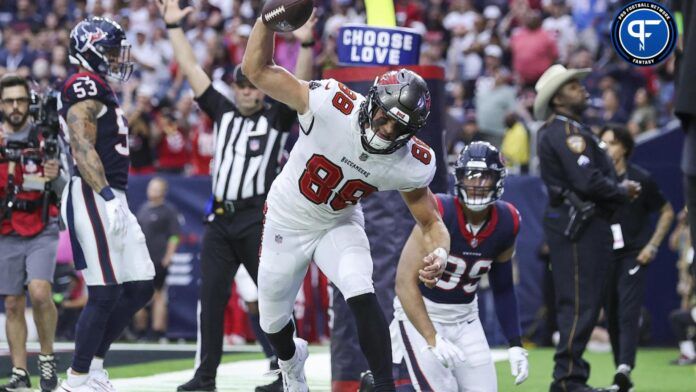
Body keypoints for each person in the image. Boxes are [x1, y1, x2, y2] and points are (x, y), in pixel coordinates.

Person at [242, 12, 450, 392]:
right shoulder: (329, 104)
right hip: (288, 217)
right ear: (372, 101)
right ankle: (291, 367)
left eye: (398, 128)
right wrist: (267, 21)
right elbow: (256, 70)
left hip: (338, 220)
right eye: (385, 118)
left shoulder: (410, 162)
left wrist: (440, 252)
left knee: (360, 286)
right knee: (272, 319)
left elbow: (431, 221)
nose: (387, 131)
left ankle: (384, 385)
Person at [155, 1, 316, 390]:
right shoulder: (222, 112)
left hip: (256, 219)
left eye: (251, 83)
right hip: (220, 220)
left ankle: (284, 371)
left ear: (260, 87)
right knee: (209, 300)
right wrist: (175, 27)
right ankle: (205, 376)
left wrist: (306, 48)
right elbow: (193, 71)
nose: (246, 89)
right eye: (241, 83)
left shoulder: (275, 118)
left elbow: (301, 90)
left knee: (272, 298)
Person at [57, 16, 155, 391]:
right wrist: (108, 197)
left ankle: (94, 365)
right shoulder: (83, 84)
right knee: (105, 291)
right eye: (112, 51)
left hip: (112, 194)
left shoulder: (99, 87)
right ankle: (77, 379)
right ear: (91, 50)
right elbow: (82, 148)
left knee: (141, 285)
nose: (117, 58)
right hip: (93, 192)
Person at [533, 64, 641, 392]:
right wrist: (622, 190)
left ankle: (572, 377)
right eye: (572, 86)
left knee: (584, 302)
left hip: (584, 224)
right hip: (579, 225)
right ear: (557, 99)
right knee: (579, 303)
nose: (581, 89)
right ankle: (567, 380)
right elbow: (587, 179)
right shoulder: (567, 132)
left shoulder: (571, 129)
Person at [390, 142, 528, 391]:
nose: (476, 184)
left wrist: (515, 343)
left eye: (484, 177)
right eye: (470, 176)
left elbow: (504, 287)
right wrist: (432, 337)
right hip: (423, 314)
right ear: (459, 178)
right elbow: (403, 283)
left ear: (498, 180)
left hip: (466, 318)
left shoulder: (508, 221)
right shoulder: (440, 212)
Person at [599, 125, 674, 391]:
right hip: (606, 256)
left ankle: (624, 368)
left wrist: (652, 246)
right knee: (611, 313)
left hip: (633, 254)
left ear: (625, 148)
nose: (606, 148)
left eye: (611, 143)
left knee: (627, 312)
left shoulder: (641, 179)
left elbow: (667, 211)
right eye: (603, 142)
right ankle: (622, 374)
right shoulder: (600, 181)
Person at [0, 74, 63, 392]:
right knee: (12, 303)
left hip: (41, 224)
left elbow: (66, 188)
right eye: (9, 100)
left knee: (39, 292)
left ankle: (48, 358)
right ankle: (20, 372)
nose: (15, 106)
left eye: (20, 100)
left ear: (29, 102)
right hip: (6, 227)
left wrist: (55, 177)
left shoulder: (45, 136)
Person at [134, 177, 181, 342]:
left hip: (159, 260)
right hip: (142, 260)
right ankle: (140, 331)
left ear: (163, 192)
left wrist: (168, 256)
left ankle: (157, 331)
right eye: (150, 187)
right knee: (139, 295)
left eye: (155, 188)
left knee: (159, 294)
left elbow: (175, 236)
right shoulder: (143, 209)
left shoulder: (168, 211)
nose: (152, 191)